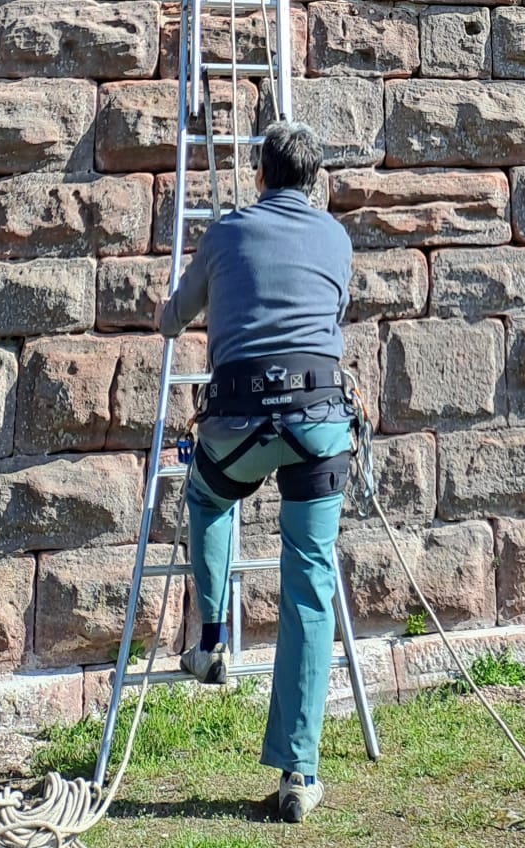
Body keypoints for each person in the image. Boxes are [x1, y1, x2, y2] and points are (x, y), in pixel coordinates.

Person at [157, 119, 353, 825]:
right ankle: (300, 772)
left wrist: (173, 305)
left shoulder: (225, 233)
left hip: (237, 426)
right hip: (317, 427)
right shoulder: (337, 238)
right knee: (310, 584)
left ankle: (211, 642)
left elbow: (173, 321)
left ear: (261, 174)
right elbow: (330, 315)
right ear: (314, 181)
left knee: (209, 499)